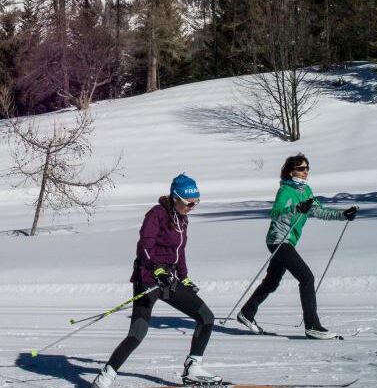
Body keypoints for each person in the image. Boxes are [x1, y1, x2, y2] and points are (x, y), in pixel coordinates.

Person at [92, 174, 220, 387]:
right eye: (189, 203)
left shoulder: (182, 218)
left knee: (206, 317)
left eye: (196, 202)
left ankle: (193, 369)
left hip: (168, 279)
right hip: (148, 279)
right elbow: (144, 247)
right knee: (138, 332)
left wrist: (184, 278)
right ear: (176, 197)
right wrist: (157, 270)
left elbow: (179, 252)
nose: (192, 207)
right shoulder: (156, 215)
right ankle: (105, 377)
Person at [237, 154, 358, 340]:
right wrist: (296, 209)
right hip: (279, 241)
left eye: (307, 168)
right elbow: (276, 213)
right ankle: (312, 326)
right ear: (290, 171)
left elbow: (319, 211)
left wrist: (343, 215)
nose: (305, 171)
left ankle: (247, 313)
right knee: (307, 278)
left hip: (288, 241)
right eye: (301, 168)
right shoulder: (285, 191)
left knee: (272, 282)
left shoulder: (306, 190)